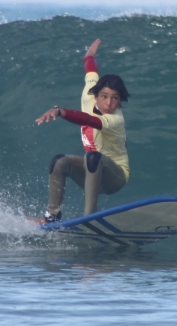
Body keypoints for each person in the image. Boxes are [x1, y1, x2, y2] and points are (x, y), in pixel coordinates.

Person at [34, 38, 130, 223]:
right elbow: (90, 68)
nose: (109, 103)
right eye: (104, 96)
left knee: (93, 156)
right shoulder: (89, 92)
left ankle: (89, 218)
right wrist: (89, 54)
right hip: (91, 174)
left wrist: (61, 112)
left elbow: (87, 119)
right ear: (95, 95)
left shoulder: (116, 119)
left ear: (120, 100)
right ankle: (52, 216)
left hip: (115, 177)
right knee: (59, 162)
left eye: (115, 98)